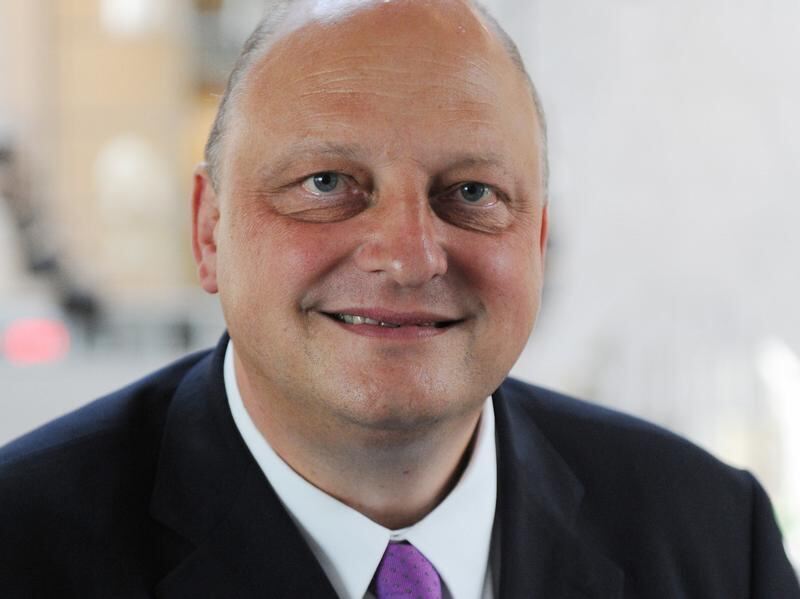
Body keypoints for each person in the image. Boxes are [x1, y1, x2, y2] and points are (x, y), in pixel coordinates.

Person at [1, 0, 798, 597]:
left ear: (538, 241)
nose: (409, 257)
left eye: (473, 191)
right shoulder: (23, 546)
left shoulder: (717, 540)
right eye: (326, 183)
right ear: (209, 231)